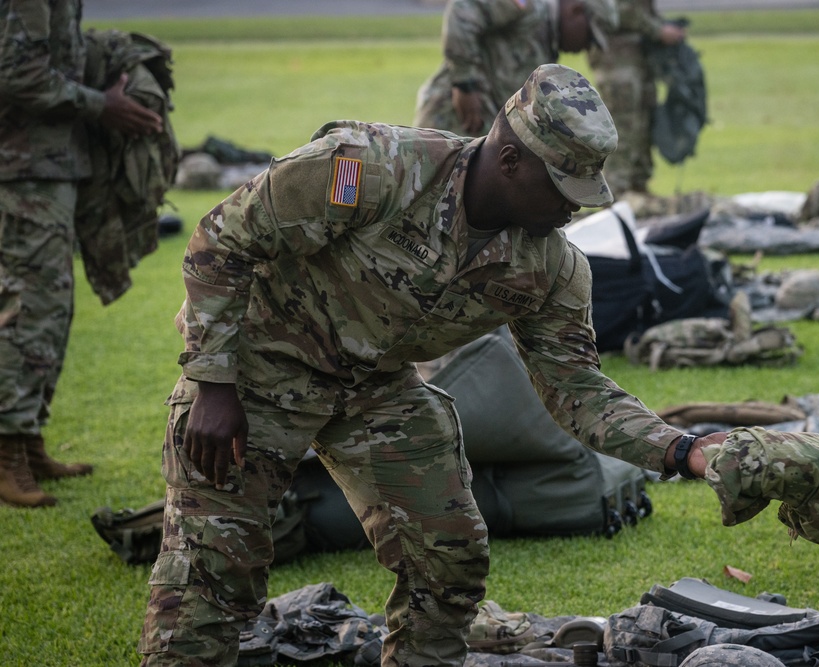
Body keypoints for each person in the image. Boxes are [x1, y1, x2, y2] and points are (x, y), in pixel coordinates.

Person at [137, 63, 726, 667]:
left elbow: (577, 389)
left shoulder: (553, 269)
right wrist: (211, 381)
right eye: (562, 189)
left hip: (374, 387)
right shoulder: (371, 167)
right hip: (258, 367)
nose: (573, 211)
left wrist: (681, 450)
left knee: (449, 557)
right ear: (511, 159)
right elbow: (221, 241)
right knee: (211, 573)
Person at [0, 0, 163, 508]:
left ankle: (29, 442)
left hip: (52, 164)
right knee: (29, 309)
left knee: (53, 308)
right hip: (24, 168)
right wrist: (100, 103)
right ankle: (6, 455)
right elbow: (17, 71)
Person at [414, 0, 617, 137]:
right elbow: (464, 9)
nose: (586, 47)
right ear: (576, 10)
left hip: (477, 137)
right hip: (450, 124)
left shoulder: (545, 38)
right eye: (590, 36)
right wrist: (465, 85)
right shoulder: (530, 7)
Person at [586, 0, 688, 214]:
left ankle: (637, 188)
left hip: (638, 58)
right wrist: (658, 30)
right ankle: (615, 194)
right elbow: (615, 10)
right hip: (617, 59)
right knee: (624, 124)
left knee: (642, 121)